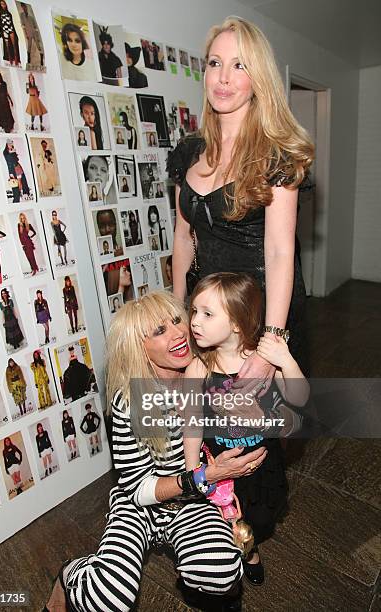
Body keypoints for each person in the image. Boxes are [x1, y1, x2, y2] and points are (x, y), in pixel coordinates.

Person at [44, 291, 268, 612]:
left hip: (193, 499)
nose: (178, 333)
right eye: (159, 331)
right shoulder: (131, 402)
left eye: (178, 320)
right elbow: (138, 490)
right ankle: (70, 574)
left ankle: (194, 564)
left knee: (221, 572)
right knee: (107, 599)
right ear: (139, 347)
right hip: (142, 504)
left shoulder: (207, 370)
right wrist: (205, 475)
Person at [167, 16, 314, 379]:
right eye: (215, 63)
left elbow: (280, 252)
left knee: (252, 428)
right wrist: (178, 311)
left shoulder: (276, 156)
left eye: (239, 65)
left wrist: (271, 344)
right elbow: (183, 238)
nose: (223, 78)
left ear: (258, 78)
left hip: (258, 314)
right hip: (205, 312)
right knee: (201, 424)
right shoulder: (188, 152)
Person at [184, 272, 308, 584]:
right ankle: (249, 553)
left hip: (264, 464)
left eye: (208, 314)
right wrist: (193, 472)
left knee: (262, 517)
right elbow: (191, 424)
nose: (195, 321)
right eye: (194, 311)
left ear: (238, 323)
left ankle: (250, 542)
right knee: (231, 521)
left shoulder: (263, 364)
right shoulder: (198, 368)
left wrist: (285, 360)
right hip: (221, 469)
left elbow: (300, 397)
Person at [17, 1, 44, 68]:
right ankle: (28, 60)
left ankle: (41, 61)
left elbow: (35, 26)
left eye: (25, 7)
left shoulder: (31, 17)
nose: (24, 8)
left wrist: (36, 33)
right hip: (28, 33)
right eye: (23, 7)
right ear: (22, 7)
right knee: (29, 46)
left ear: (26, 7)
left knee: (38, 45)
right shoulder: (22, 15)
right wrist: (26, 33)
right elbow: (23, 25)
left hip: (34, 32)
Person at [0, 0, 20, 66]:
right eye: (1, 4)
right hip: (5, 29)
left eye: (4, 3)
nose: (3, 5)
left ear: (6, 4)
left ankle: (16, 58)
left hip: (11, 29)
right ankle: (10, 58)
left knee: (14, 45)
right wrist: (1, 32)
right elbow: (0, 23)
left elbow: (12, 22)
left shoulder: (9, 13)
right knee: (7, 46)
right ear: (0, 5)